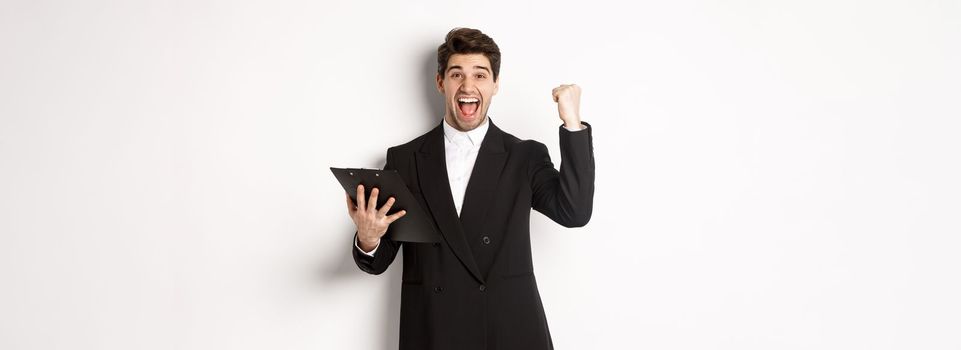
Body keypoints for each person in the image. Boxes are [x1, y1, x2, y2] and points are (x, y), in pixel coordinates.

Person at [345, 27, 595, 350]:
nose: (468, 86)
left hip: (509, 334)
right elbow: (377, 261)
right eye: (456, 74)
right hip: (433, 333)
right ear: (440, 83)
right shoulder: (405, 160)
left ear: (495, 85)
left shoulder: (524, 156)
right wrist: (368, 237)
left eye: (480, 75)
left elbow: (575, 211)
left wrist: (572, 123)